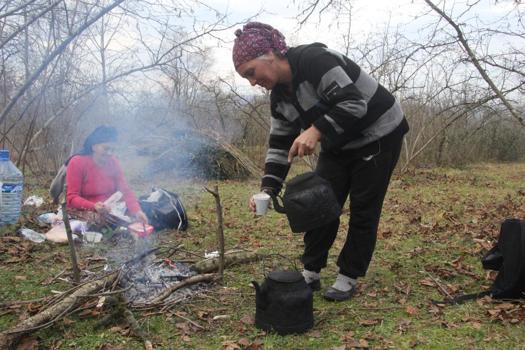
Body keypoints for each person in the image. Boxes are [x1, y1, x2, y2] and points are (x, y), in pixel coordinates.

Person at [234, 22, 409, 301]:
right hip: (338, 140)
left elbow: (354, 103)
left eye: (251, 73)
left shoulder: (315, 61)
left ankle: (348, 275)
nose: (253, 82)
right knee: (319, 202)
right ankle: (311, 271)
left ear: (270, 54)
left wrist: (315, 131)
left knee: (364, 208)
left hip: (379, 132)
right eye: (247, 79)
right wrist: (268, 189)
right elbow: (279, 145)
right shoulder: (280, 98)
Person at [66, 126, 148, 228]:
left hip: (109, 207)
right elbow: (72, 197)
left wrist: (137, 211)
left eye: (112, 149)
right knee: (103, 219)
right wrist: (94, 206)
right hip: (84, 208)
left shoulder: (113, 162)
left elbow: (125, 190)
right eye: (106, 148)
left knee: (138, 212)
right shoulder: (77, 162)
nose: (110, 153)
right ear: (94, 146)